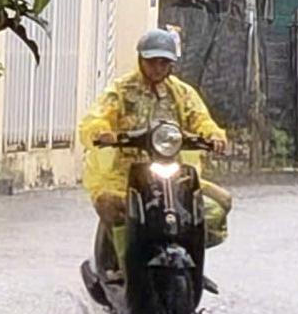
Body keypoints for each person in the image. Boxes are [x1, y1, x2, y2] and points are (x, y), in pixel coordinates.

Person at [78, 28, 233, 281]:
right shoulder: (121, 90)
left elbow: (201, 119)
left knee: (221, 203)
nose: (158, 68)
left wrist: (214, 136)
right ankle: (125, 268)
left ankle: (190, 257)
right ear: (141, 59)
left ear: (172, 64)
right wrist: (102, 131)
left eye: (164, 62)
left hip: (175, 174)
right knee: (109, 204)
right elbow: (96, 117)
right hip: (127, 175)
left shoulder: (182, 93)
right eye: (152, 61)